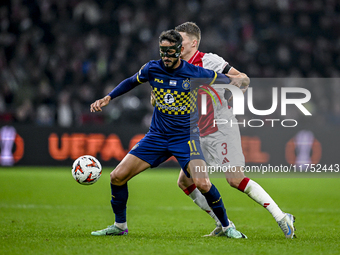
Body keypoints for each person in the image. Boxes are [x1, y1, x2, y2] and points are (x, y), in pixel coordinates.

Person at [90, 29, 247, 238]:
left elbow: (226, 79)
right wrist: (108, 98)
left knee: (202, 183)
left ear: (179, 50)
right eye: (162, 51)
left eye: (170, 51)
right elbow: (130, 81)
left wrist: (240, 80)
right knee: (117, 177)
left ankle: (227, 227)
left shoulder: (194, 72)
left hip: (186, 138)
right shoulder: (152, 69)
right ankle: (120, 226)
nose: (165, 56)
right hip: (157, 137)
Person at [158, 22, 296, 239]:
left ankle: (281, 217)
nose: (176, 45)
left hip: (220, 129)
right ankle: (223, 224)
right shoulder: (174, 66)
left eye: (180, 40)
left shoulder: (209, 60)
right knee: (185, 182)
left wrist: (234, 86)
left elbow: (242, 78)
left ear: (193, 43)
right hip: (196, 133)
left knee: (234, 179)